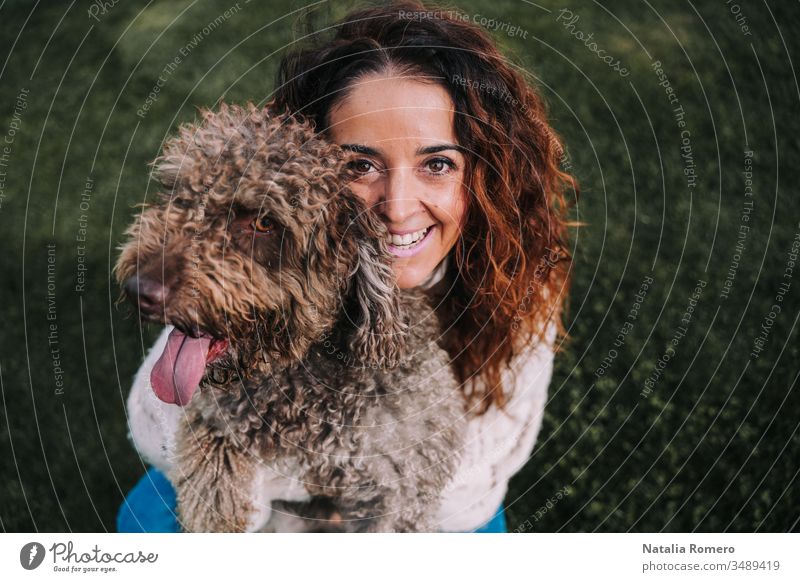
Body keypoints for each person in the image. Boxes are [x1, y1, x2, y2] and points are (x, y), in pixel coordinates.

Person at [117, 0, 577, 533]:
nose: (398, 206)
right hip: (264, 513)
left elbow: (461, 496)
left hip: (422, 514)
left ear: (484, 175)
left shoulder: (518, 286)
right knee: (155, 520)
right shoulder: (262, 271)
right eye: (359, 164)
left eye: (437, 164)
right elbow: (159, 431)